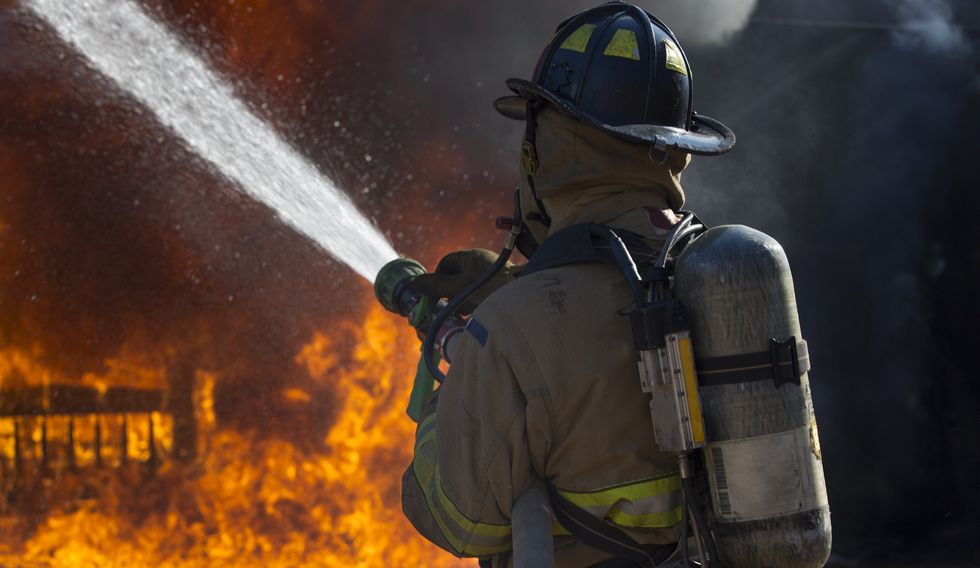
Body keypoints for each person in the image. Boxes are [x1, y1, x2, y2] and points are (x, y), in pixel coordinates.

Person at [401, 3, 735, 566]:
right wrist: (519, 287)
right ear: (676, 149)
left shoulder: (515, 328)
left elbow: (456, 517)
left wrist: (455, 382)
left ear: (549, 139)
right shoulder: (715, 277)